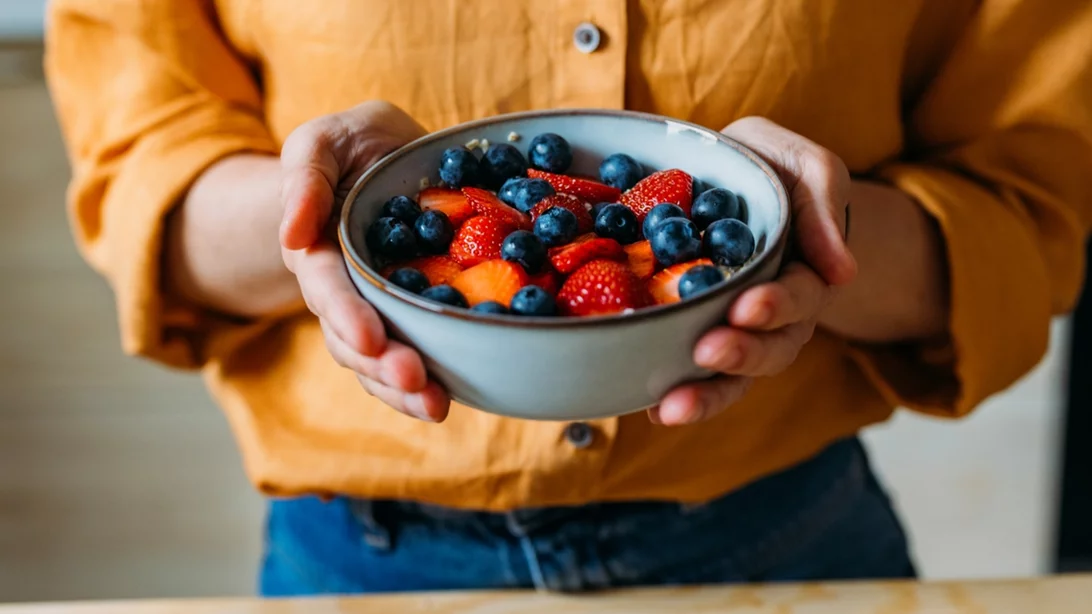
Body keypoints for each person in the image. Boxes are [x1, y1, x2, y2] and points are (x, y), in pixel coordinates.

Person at [44, 0, 1091, 595]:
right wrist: (316, 213)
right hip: (367, 562)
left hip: (789, 542)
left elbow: (1028, 212)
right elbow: (144, 180)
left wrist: (811, 235)